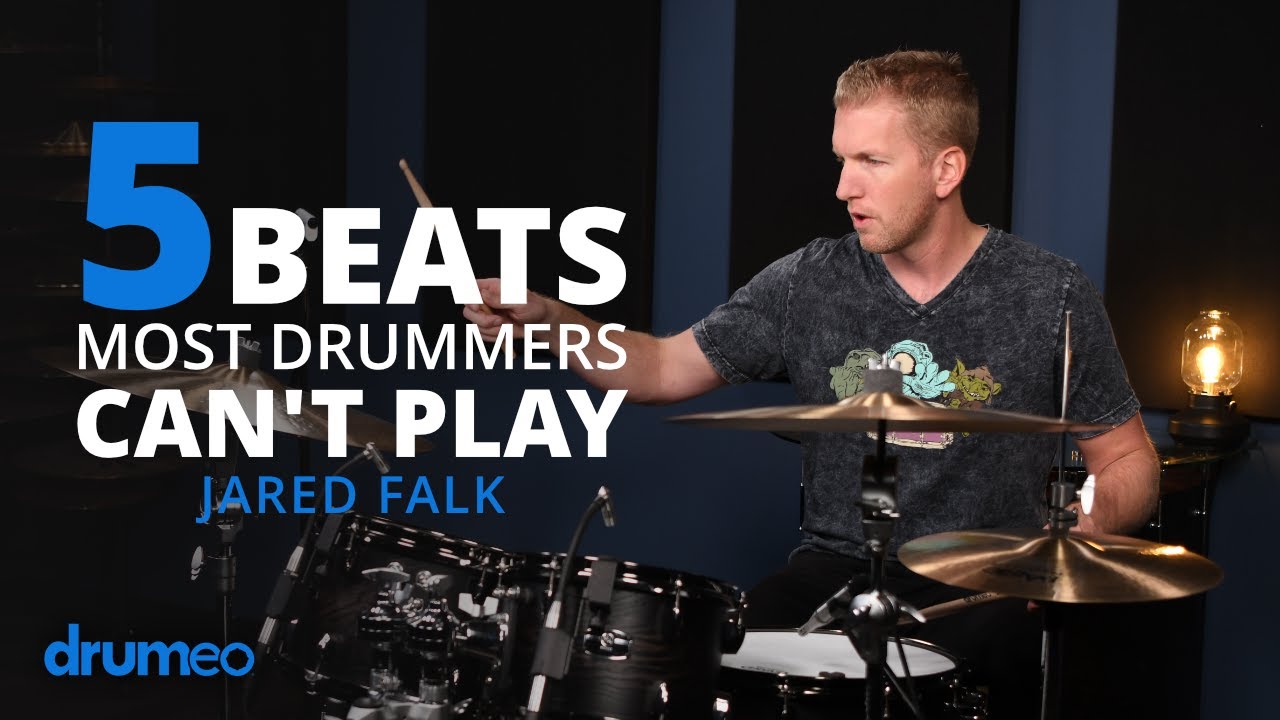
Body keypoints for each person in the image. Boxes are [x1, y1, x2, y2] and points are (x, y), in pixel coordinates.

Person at [464, 49, 1159, 716]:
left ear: (946, 169)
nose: (843, 187)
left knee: (1000, 658)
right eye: (841, 160)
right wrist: (550, 320)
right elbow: (660, 368)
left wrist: (1082, 535)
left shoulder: (1048, 293)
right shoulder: (809, 281)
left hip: (985, 585)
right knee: (727, 658)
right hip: (833, 572)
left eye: (872, 162)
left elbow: (1128, 458)